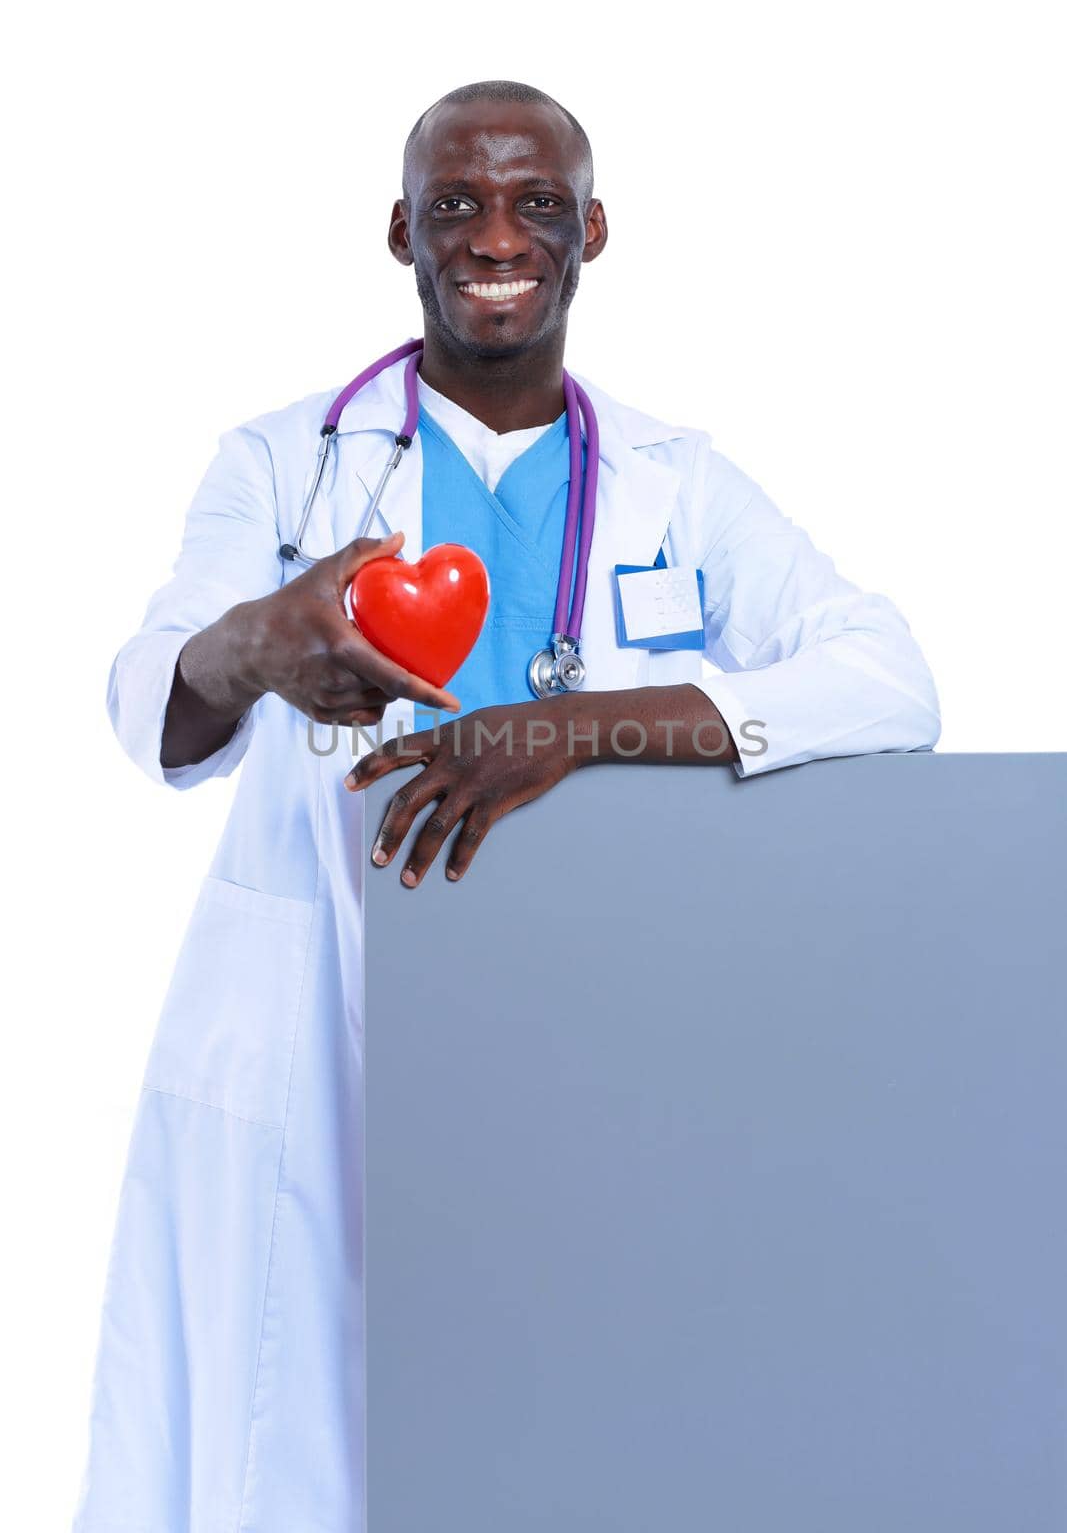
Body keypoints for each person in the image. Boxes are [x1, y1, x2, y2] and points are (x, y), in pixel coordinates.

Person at [72, 79, 941, 1531]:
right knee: (303, 1437)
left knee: (549, 1424)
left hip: (571, 1027)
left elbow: (892, 683)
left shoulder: (680, 481)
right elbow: (153, 691)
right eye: (457, 203)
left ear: (589, 230)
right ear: (399, 230)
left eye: (536, 202)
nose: (497, 234)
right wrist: (260, 645)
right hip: (317, 1026)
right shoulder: (285, 463)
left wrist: (577, 727)